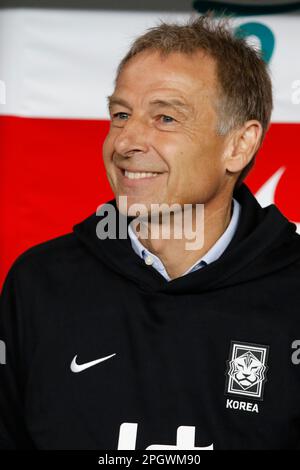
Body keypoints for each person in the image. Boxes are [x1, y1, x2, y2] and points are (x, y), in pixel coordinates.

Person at [0, 14, 300, 450]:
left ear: (239, 145)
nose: (125, 142)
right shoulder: (39, 283)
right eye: (121, 114)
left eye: (165, 118)